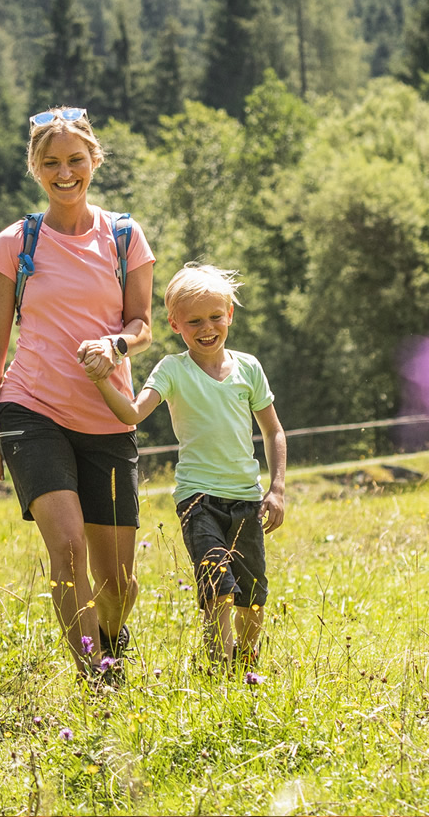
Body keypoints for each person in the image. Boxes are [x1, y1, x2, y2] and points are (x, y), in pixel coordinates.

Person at [0, 107, 155, 685]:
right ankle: (96, 679)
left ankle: (109, 642)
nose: (65, 172)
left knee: (118, 580)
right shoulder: (16, 242)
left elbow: (143, 323)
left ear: (94, 160)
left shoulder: (124, 237)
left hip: (107, 414)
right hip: (31, 408)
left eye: (76, 159)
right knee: (69, 549)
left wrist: (117, 347)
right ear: (36, 168)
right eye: (51, 162)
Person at [87, 264, 287, 672]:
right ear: (175, 324)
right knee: (216, 590)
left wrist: (277, 488)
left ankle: (244, 668)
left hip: (247, 499)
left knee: (252, 600)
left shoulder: (248, 367)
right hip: (198, 500)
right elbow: (132, 411)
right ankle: (220, 673)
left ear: (230, 313)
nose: (207, 328)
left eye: (216, 317)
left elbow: (274, 431)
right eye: (194, 321)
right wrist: (102, 377)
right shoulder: (172, 370)